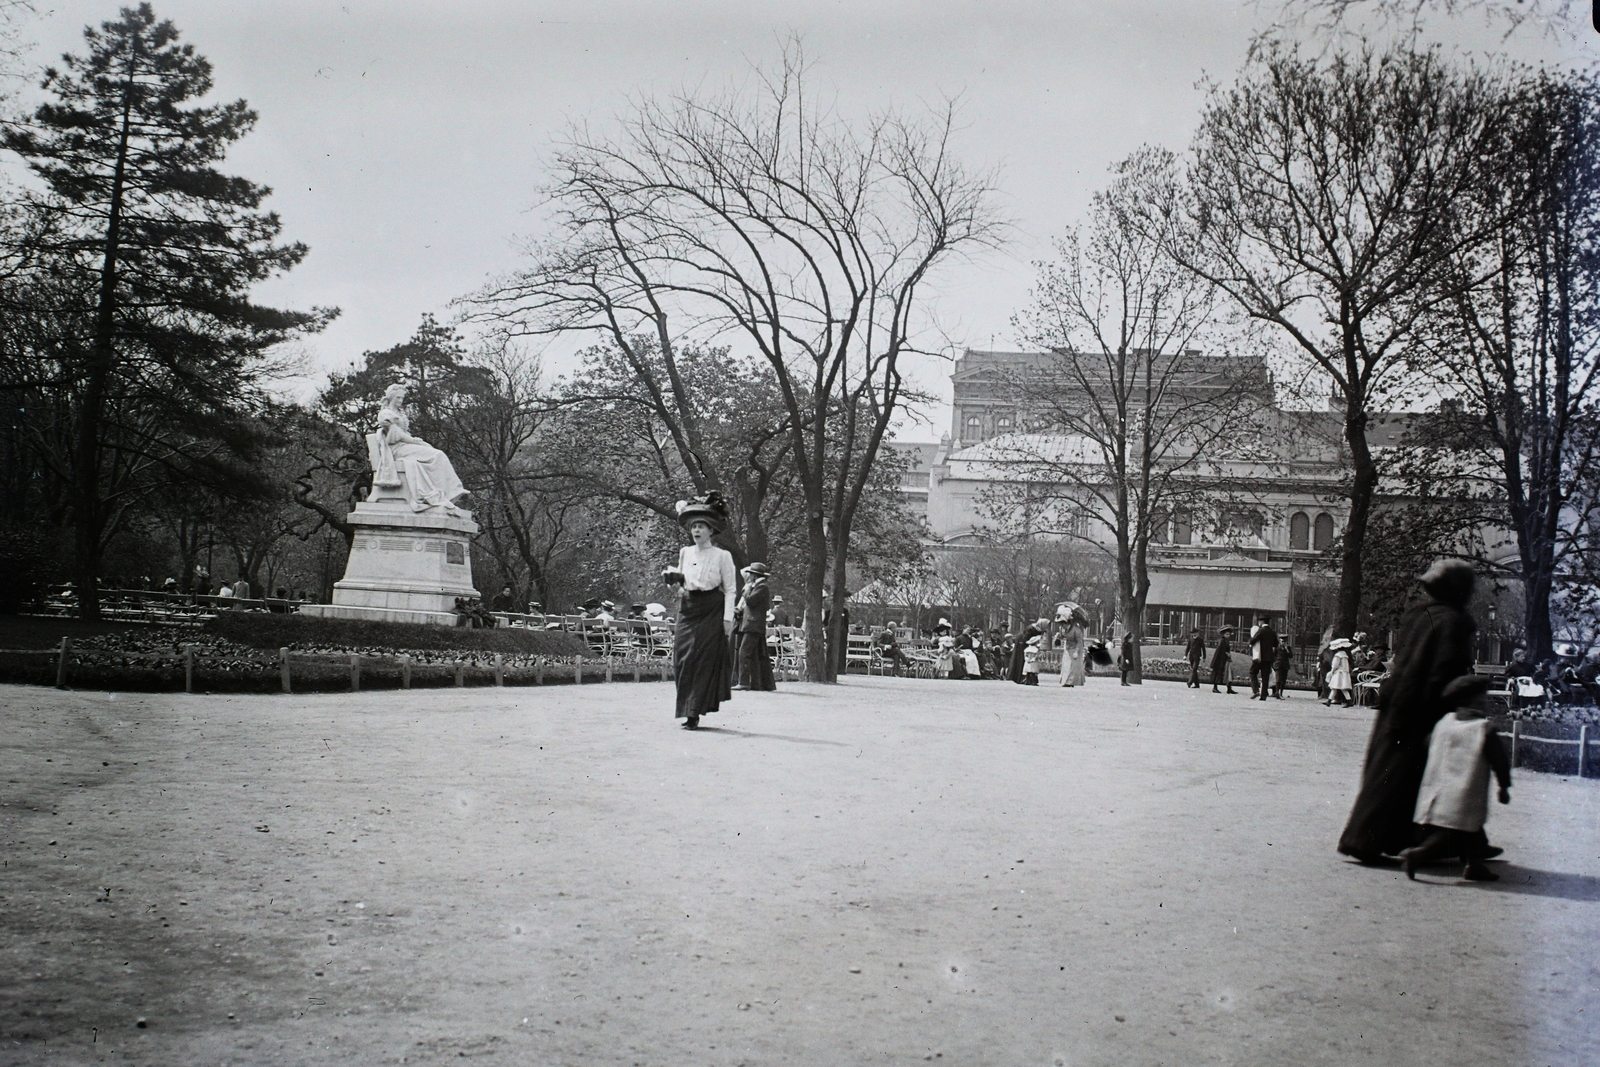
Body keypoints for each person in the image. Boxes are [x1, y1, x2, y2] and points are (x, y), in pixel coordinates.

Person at [1338, 558, 1480, 865]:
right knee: (1403, 773)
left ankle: (1380, 837)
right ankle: (1366, 839)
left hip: (1397, 699)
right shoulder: (1454, 622)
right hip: (1424, 705)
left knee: (1387, 768)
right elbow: (1444, 670)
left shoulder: (1419, 614)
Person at [1399, 674, 1512, 882]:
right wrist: (1503, 786)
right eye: (1483, 697)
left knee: (1471, 827)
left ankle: (1474, 865)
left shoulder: (1445, 722)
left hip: (1438, 787)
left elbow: (1427, 744)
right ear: (1476, 701)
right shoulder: (1483, 729)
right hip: (1465, 788)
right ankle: (1419, 854)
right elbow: (1499, 761)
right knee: (1456, 831)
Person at [664, 494, 738, 728]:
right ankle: (686, 706)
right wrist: (673, 581)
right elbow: (680, 582)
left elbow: (731, 590)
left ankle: (694, 712)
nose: (696, 531)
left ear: (711, 530)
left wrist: (728, 619)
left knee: (703, 658)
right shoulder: (685, 552)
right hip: (688, 608)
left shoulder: (722, 556)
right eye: (693, 526)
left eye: (701, 526)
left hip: (711, 609)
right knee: (683, 657)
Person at [370, 382, 469, 513]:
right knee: (437, 455)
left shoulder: (399, 413)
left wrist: (415, 441)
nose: (400, 401)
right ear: (391, 398)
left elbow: (404, 433)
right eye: (398, 398)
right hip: (396, 450)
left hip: (406, 445)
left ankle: (447, 492)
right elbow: (396, 434)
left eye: (402, 398)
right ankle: (447, 492)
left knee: (434, 452)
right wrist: (413, 440)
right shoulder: (386, 413)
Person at [734, 562, 776, 691]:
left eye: (750, 574)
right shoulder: (760, 586)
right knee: (755, 655)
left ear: (754, 575)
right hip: (752, 624)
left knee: (744, 653)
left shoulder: (762, 587)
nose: (749, 576)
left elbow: (751, 601)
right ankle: (757, 684)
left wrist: (746, 591)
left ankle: (744, 682)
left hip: (753, 625)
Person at [1056, 603, 1089, 687]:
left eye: (1063, 623)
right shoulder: (1063, 629)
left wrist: (1077, 652)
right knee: (1066, 665)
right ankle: (1065, 681)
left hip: (1075, 648)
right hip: (1068, 648)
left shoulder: (1076, 630)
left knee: (1073, 666)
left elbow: (1079, 642)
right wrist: (1059, 636)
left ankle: (1071, 682)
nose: (1062, 626)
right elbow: (1064, 637)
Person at [1011, 618, 1048, 684]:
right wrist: (1031, 645)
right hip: (1022, 642)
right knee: (1022, 660)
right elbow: (1025, 638)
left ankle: (1029, 679)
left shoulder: (1040, 629)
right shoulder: (1031, 628)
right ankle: (1021, 678)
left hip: (1030, 643)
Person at [1250, 618, 1279, 701]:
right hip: (1268, 658)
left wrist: (1250, 643)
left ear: (1261, 622)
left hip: (1259, 656)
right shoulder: (1272, 632)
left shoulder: (1261, 631)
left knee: (1252, 672)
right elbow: (1276, 644)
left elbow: (1253, 640)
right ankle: (1263, 695)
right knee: (1265, 676)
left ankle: (1255, 690)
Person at [1323, 639, 1353, 706]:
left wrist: (1332, 671)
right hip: (1344, 673)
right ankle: (1329, 700)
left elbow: (1335, 665)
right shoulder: (1345, 655)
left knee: (1336, 687)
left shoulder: (1338, 655)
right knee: (1338, 687)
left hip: (1339, 673)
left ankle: (1330, 700)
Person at [1211, 627, 1236, 694]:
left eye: (1229, 634)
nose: (1228, 636)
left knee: (1228, 673)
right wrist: (1226, 653)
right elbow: (1220, 650)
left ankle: (1229, 688)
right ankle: (1215, 687)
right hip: (1220, 660)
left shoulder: (1225, 641)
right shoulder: (1222, 641)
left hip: (1224, 659)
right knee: (1219, 673)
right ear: (1223, 634)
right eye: (1227, 634)